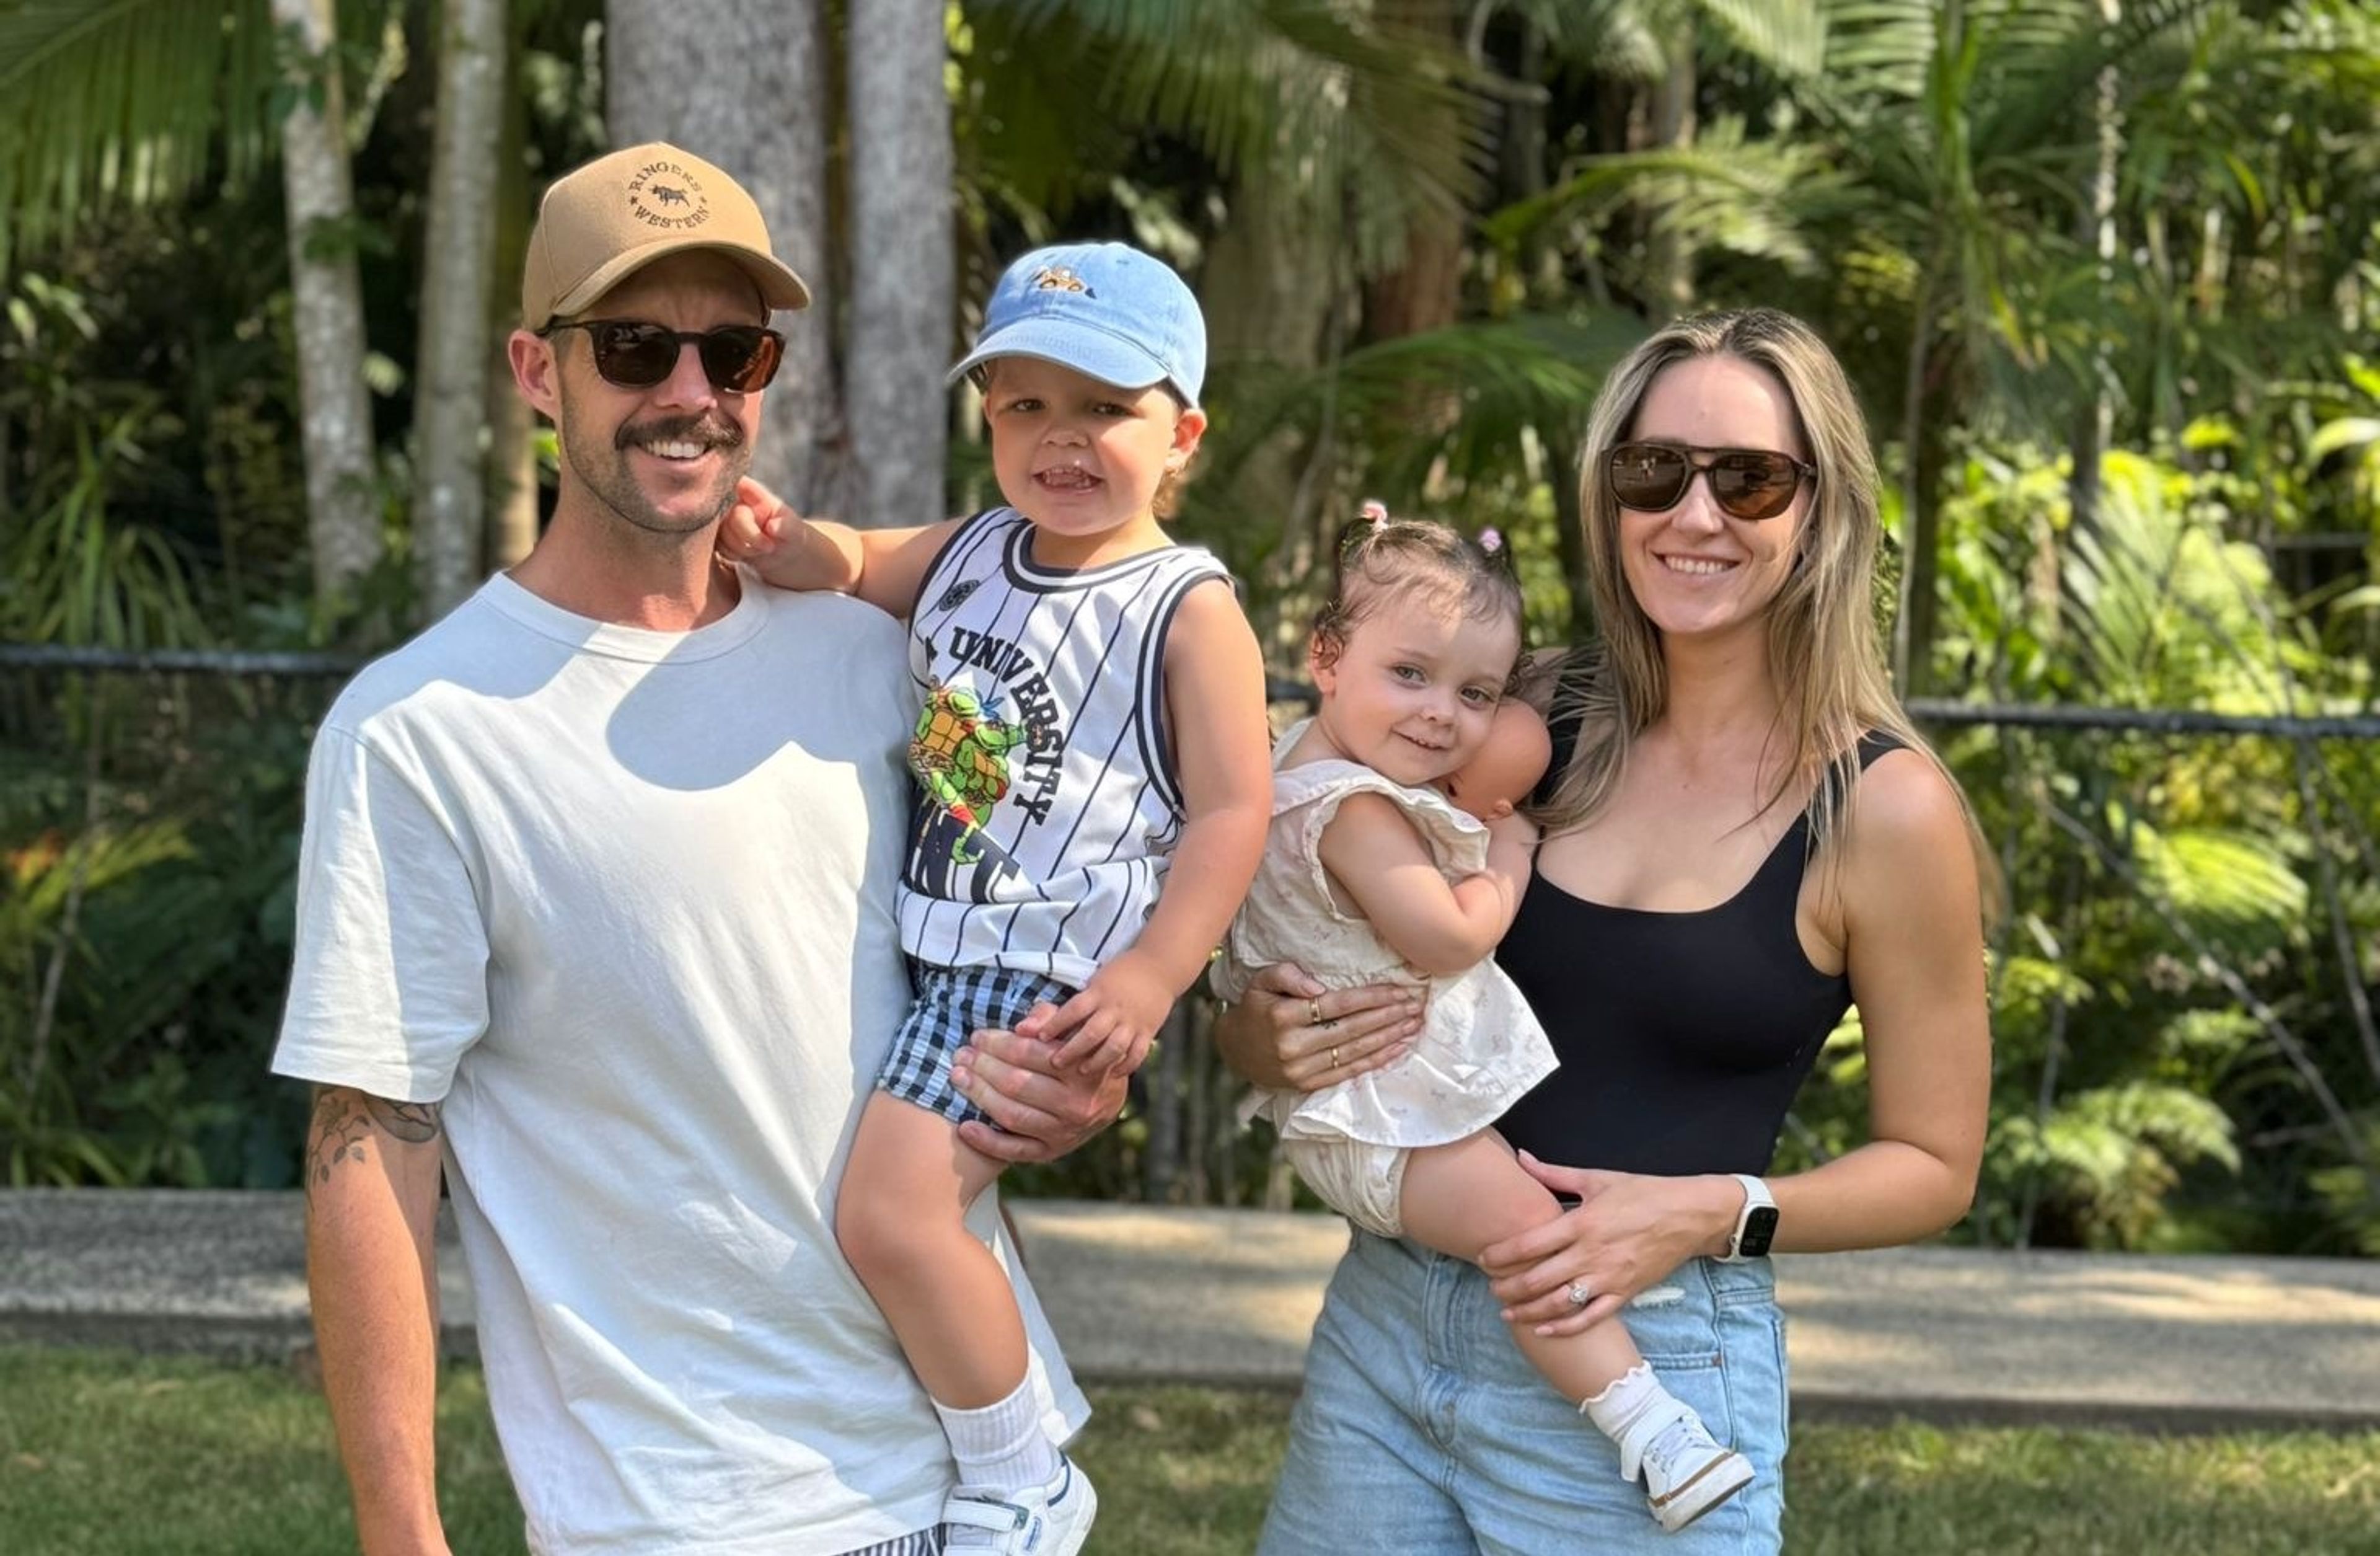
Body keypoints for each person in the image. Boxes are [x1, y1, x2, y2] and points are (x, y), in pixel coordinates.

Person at [274, 143, 1122, 1556]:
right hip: (683, 1515)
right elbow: (372, 1138)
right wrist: (401, 1533)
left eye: (730, 352)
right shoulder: (417, 733)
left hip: (983, 1477)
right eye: (632, 346)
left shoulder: (887, 659)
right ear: (538, 372)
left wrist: (1078, 1069)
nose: (687, 393)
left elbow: (1033, 906)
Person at [1219, 307, 1993, 1553]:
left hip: (1652, 1355)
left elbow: (1935, 1164)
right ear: (1609, 497)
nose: (1696, 514)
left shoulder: (1886, 809)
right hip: (1389, 1321)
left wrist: (1712, 1212)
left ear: (1823, 508)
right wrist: (1259, 1037)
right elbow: (1311, 874)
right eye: (1655, 472)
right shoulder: (1518, 721)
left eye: (1748, 478)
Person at [718, 241, 1272, 1554]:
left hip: (1041, 965)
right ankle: (997, 1458)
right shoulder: (974, 550)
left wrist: (1147, 981)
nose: (1060, 438)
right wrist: (792, 542)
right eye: (1025, 404)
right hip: (944, 952)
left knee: (891, 1212)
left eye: (1104, 408)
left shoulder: (1184, 606)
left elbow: (1235, 811)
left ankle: (1021, 1475)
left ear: (1182, 432)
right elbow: (858, 558)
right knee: (915, 1214)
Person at [1215, 505, 1753, 1534]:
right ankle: (1651, 1428)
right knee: (1531, 1236)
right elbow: (1448, 938)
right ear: (1326, 656)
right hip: (1383, 1116)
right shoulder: (1356, 810)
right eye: (1409, 675)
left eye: (1475, 691)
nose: (1441, 716)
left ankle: (1643, 1422)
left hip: (1370, 1103)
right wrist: (1510, 854)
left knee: (1519, 1231)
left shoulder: (1292, 763)